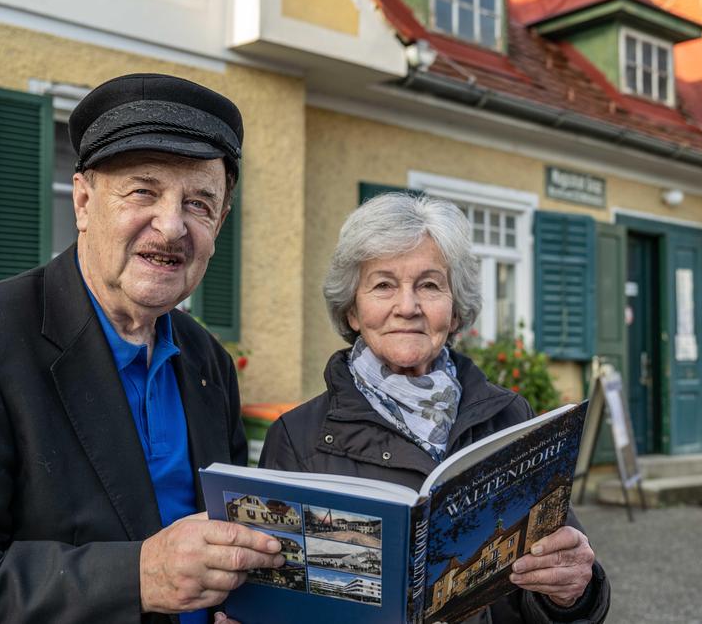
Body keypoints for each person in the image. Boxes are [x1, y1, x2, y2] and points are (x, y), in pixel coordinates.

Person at [0, 73, 284, 624]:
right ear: (83, 201)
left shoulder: (209, 363)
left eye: (200, 203)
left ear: (220, 222)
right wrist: (138, 577)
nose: (172, 225)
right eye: (143, 191)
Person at [259, 193, 610, 623]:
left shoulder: (509, 417)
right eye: (383, 285)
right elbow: (278, 600)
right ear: (353, 311)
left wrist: (574, 591)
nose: (407, 307)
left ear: (456, 311)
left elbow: (555, 581)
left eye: (429, 285)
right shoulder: (297, 437)